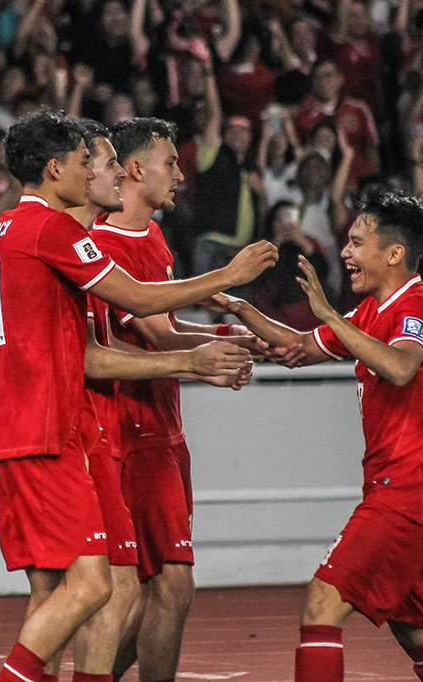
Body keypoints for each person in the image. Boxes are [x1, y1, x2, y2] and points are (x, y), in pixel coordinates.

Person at [0, 110, 278, 682]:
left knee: (61, 588)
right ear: (57, 167)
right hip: (60, 432)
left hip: (17, 428)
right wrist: (227, 280)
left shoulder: (1, 234)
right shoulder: (58, 232)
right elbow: (136, 302)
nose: (96, 171)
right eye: (91, 161)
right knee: (100, 583)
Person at [205, 189, 423, 682]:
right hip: (417, 487)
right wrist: (235, 307)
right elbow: (302, 346)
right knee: (415, 627)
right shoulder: (374, 309)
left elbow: (397, 367)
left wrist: (328, 315)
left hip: (407, 489)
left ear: (393, 253)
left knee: (321, 604)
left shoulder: (420, 306)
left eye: (356, 242)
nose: (345, 253)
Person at [93, 117, 269, 682]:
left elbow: (166, 324)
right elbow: (161, 333)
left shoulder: (152, 234)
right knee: (168, 584)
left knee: (156, 591)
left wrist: (234, 342)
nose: (181, 173)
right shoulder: (103, 245)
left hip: (163, 428)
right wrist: (225, 335)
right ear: (136, 169)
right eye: (170, 162)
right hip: (129, 433)